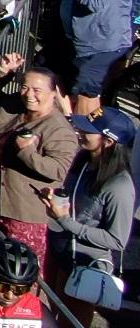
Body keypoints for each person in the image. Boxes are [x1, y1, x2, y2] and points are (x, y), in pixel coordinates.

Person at [0, 52, 79, 269]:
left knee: (20, 270)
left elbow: (58, 170)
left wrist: (28, 153)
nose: (29, 95)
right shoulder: (18, 104)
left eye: (37, 90)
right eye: (25, 87)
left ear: (54, 93)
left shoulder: (59, 130)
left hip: (25, 213)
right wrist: (2, 73)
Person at [45, 109, 136, 328]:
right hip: (60, 253)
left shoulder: (120, 186)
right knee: (49, 316)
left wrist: (67, 222)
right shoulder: (85, 161)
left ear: (108, 141)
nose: (80, 131)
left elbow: (117, 240)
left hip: (86, 268)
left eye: (89, 130)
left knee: (71, 323)